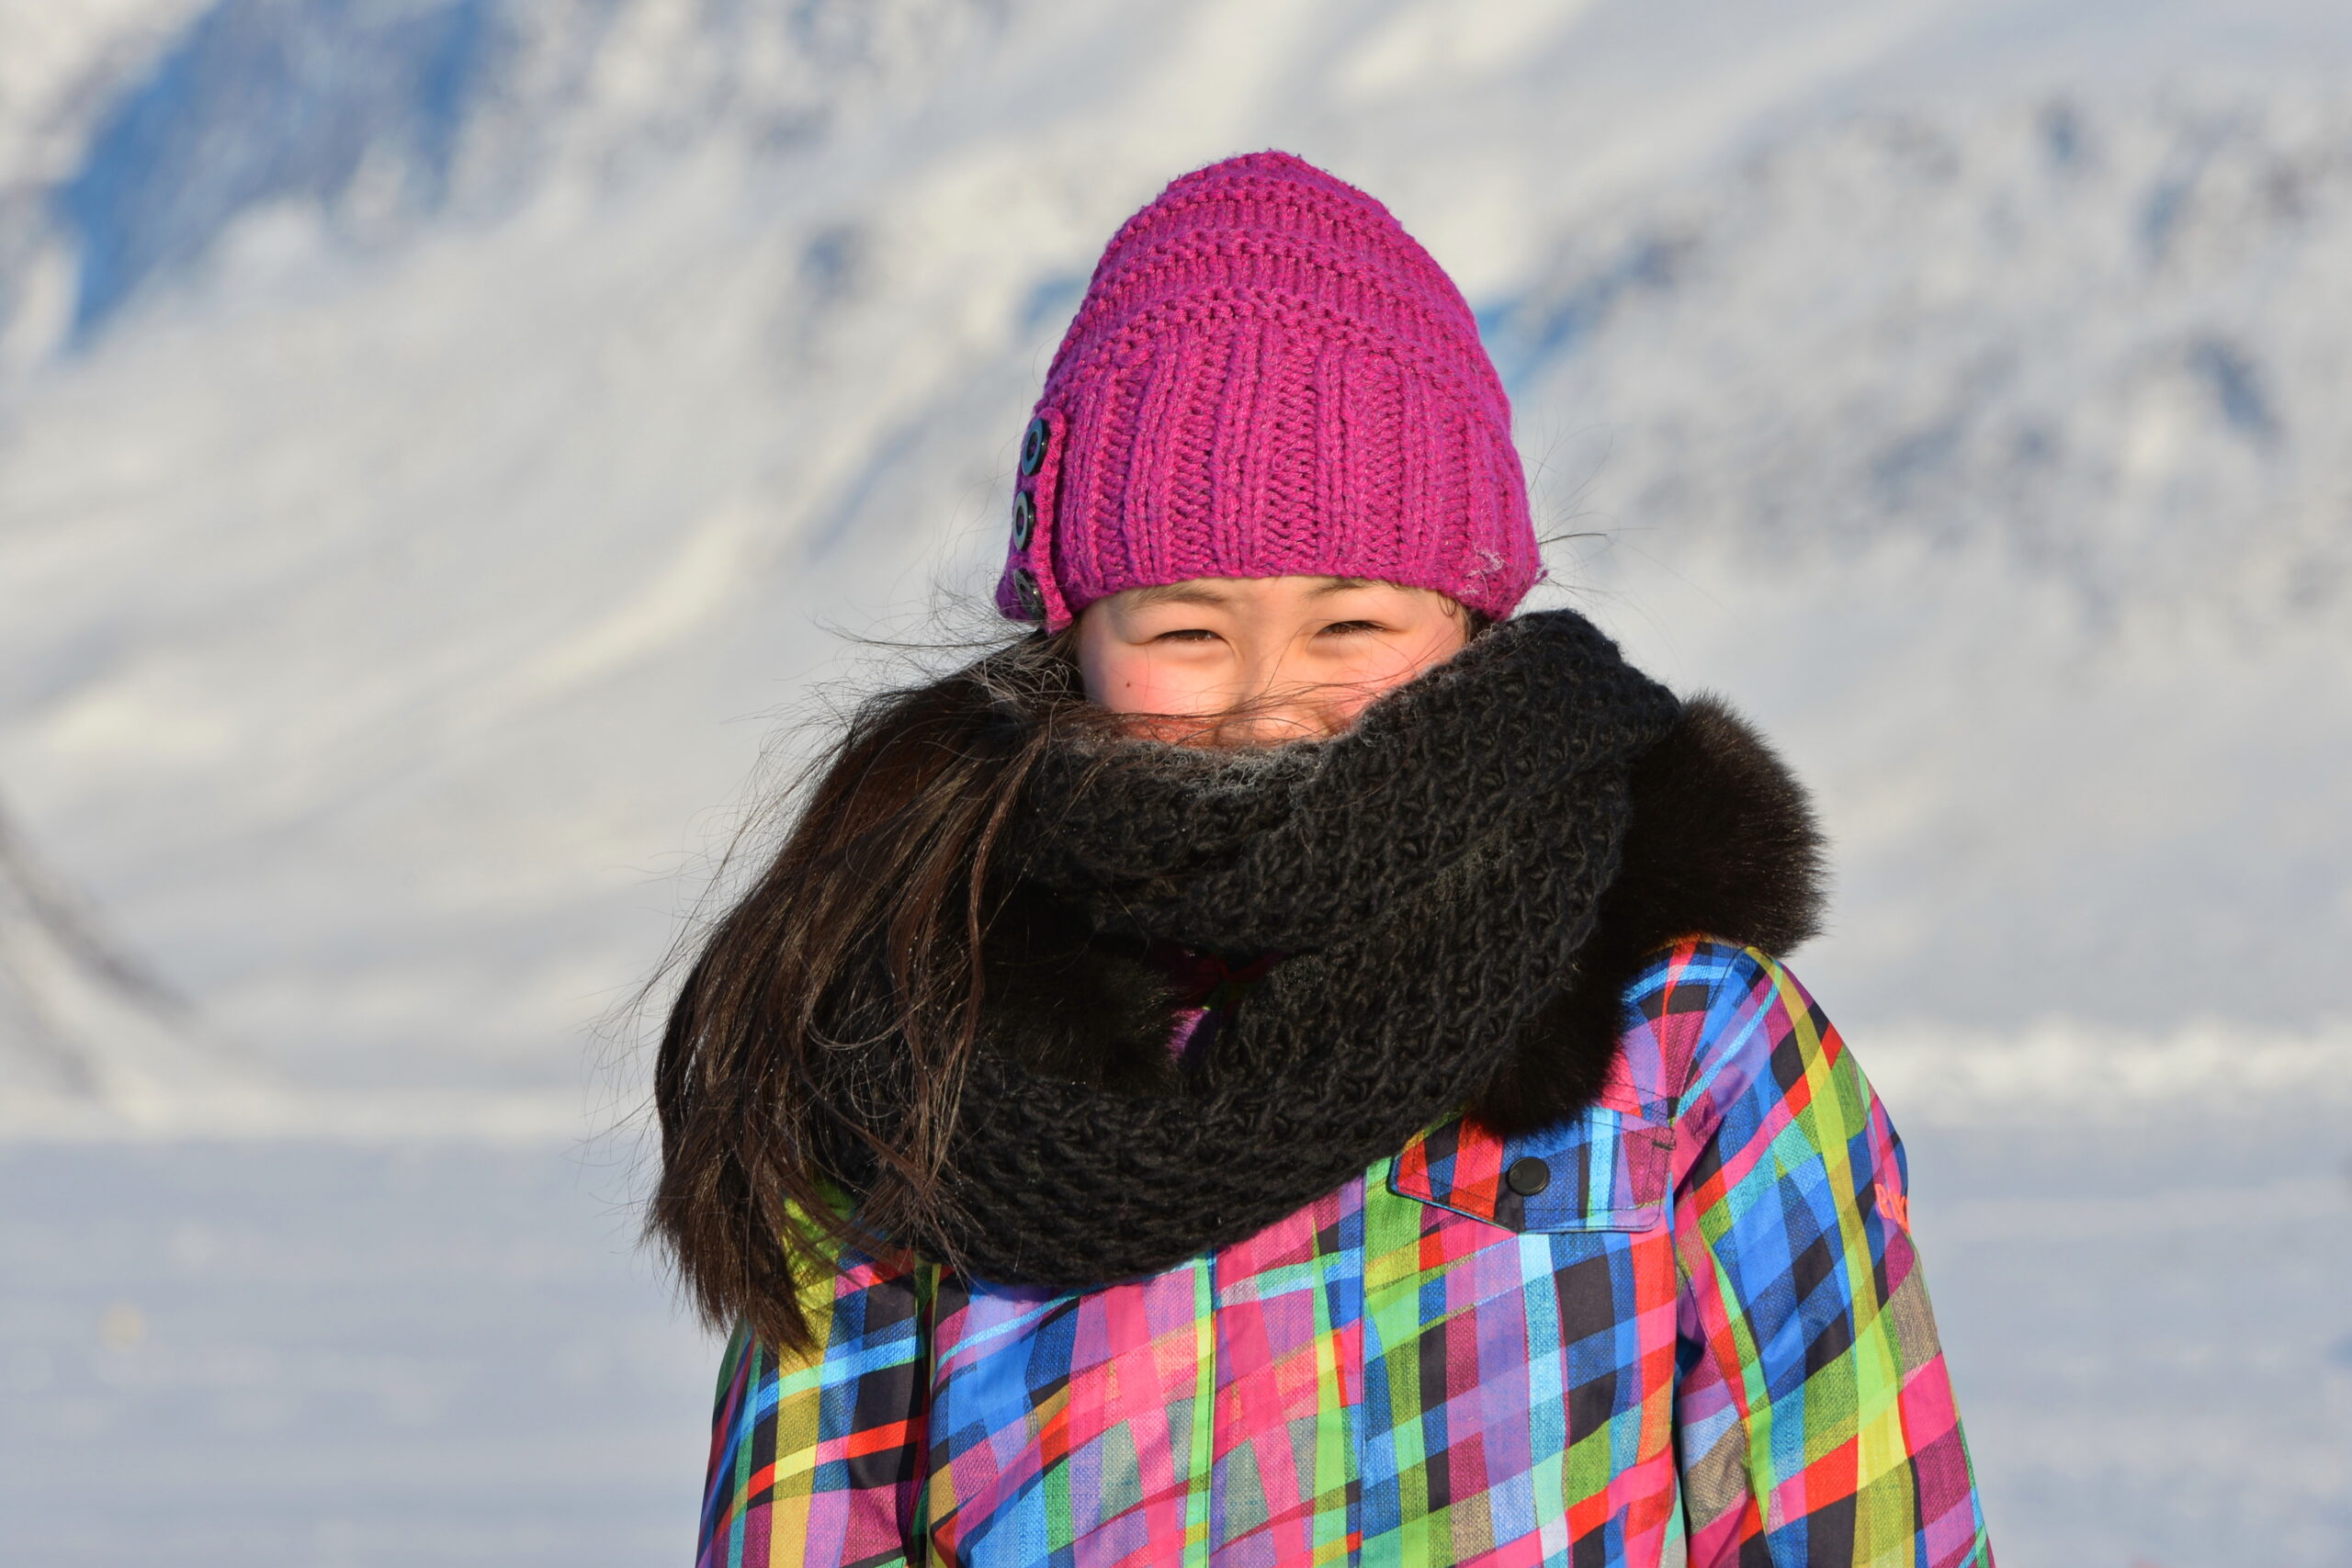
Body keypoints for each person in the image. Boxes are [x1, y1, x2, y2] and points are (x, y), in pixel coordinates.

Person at [652, 152, 1993, 1568]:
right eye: (1185, 632)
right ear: (1075, 644)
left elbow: (1862, 1528)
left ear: (1474, 621)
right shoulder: (924, 1048)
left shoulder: (1686, 1048)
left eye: (1348, 626)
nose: (1267, 693)